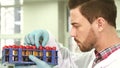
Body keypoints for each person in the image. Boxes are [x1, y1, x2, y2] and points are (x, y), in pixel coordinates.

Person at [23, 0, 120, 68]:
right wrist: (48, 41)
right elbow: (70, 62)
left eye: (76, 26)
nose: (72, 33)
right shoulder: (96, 57)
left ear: (99, 24)